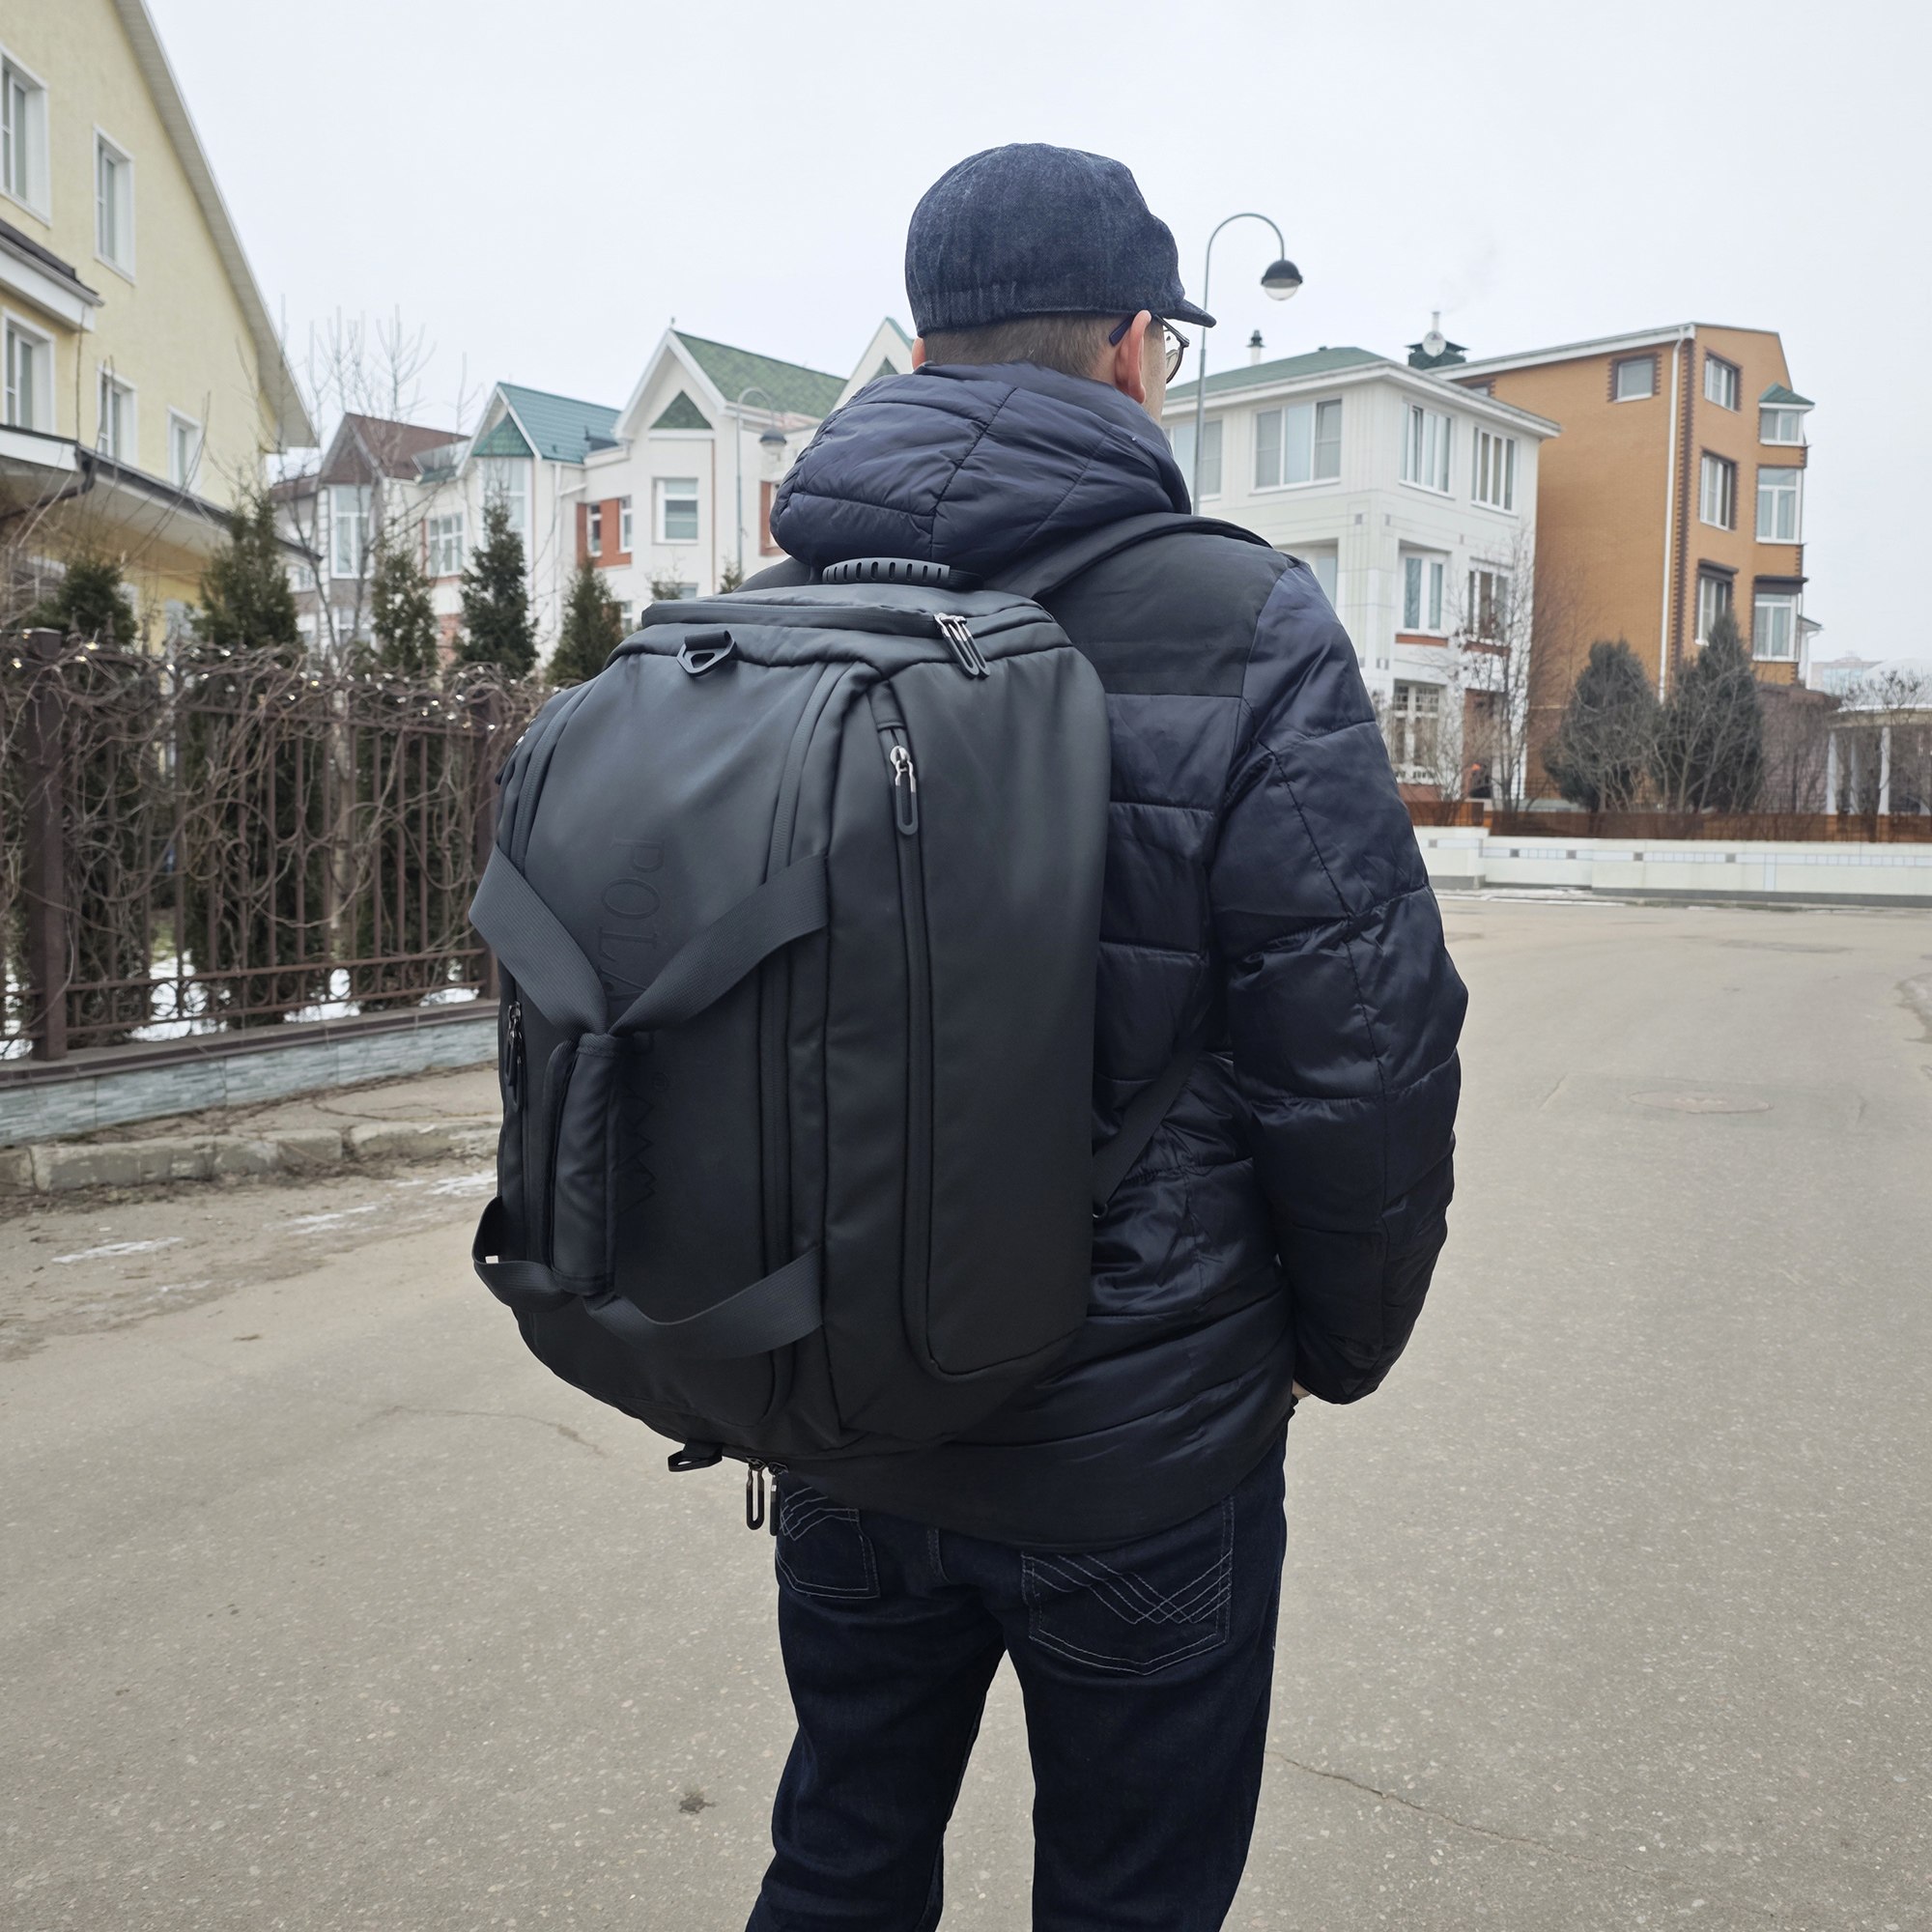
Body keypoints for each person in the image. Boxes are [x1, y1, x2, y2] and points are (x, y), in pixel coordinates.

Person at [743, 143, 1466, 1932]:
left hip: (843, 1412)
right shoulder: (1244, 621)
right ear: (1139, 348)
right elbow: (1362, 1059)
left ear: (925, 348)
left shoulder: (767, 625)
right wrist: (1331, 1352)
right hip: (1141, 1452)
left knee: (838, 1857)